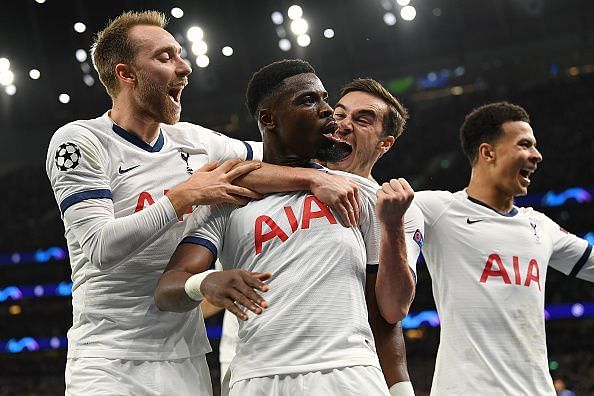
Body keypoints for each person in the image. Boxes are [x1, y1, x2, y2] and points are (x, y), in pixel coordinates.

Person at [46, 11, 362, 395]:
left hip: (186, 357)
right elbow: (100, 248)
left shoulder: (197, 142)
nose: (185, 67)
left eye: (180, 55)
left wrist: (316, 174)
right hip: (108, 360)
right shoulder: (80, 141)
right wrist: (183, 196)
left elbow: (276, 156)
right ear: (126, 74)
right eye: (165, 58)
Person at [154, 59, 421, 395]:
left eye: (326, 100)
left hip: (348, 372)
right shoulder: (229, 197)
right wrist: (206, 281)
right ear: (269, 118)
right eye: (310, 101)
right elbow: (167, 290)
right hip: (257, 378)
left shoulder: (362, 194)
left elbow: (388, 313)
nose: (329, 112)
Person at [413, 102, 594, 395]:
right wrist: (311, 175)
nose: (536, 156)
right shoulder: (438, 209)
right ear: (488, 152)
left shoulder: (541, 226)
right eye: (525, 145)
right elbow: (360, 195)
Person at [328, 78, 417, 396]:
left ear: (385, 143)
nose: (344, 125)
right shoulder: (283, 180)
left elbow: (392, 309)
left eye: (362, 119)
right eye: (339, 115)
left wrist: (390, 225)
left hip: (354, 372)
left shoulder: (398, 207)